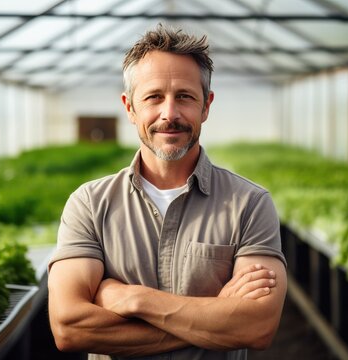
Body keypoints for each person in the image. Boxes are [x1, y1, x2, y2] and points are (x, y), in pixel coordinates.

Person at [48, 24, 287, 360]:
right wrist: (215, 317)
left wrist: (136, 300)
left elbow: (257, 327)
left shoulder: (249, 204)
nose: (169, 114)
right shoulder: (89, 204)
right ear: (130, 108)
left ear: (206, 105)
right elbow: (69, 328)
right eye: (154, 97)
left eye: (185, 97)